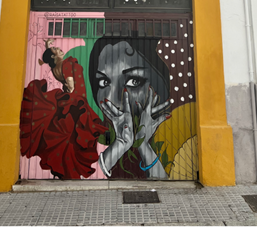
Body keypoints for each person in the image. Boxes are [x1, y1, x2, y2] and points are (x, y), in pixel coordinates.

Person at [20, 39, 108, 179]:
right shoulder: (66, 64)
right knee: (81, 133)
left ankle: (64, 166)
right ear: (54, 57)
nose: (60, 50)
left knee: (72, 135)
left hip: (70, 100)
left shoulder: (54, 68)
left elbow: (53, 62)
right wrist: (71, 91)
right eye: (56, 50)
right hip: (77, 100)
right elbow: (71, 85)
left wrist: (48, 47)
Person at [88, 36, 172, 179]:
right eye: (103, 82)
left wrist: (143, 144)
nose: (111, 99)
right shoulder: (89, 134)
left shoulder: (172, 135)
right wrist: (119, 144)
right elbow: (85, 182)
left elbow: (166, 187)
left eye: (134, 81)